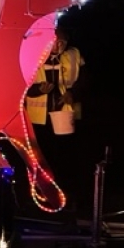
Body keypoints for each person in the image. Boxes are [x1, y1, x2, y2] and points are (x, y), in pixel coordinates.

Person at [25, 26, 87, 208]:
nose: (59, 46)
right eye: (55, 41)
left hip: (66, 114)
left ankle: (68, 194)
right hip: (39, 118)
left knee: (67, 154)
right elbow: (21, 83)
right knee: (42, 155)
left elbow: (86, 80)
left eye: (63, 42)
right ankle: (41, 195)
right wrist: (37, 90)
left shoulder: (73, 56)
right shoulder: (32, 56)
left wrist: (73, 93)